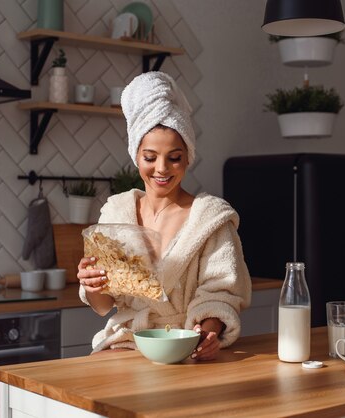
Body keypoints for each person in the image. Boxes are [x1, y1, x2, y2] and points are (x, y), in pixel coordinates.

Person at [77, 71, 252, 360]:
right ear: (136, 155)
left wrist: (207, 333)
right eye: (150, 157)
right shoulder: (116, 213)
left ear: (188, 157)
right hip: (126, 345)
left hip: (185, 344)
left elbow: (221, 295)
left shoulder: (210, 219)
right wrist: (92, 284)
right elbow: (102, 305)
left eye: (174, 157)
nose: (162, 169)